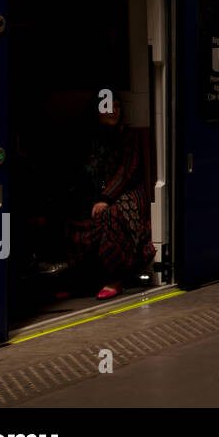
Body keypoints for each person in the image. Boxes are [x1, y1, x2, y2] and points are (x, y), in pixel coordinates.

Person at [66, 93, 155, 300]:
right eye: (108, 106)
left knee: (111, 215)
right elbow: (86, 172)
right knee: (75, 216)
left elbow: (128, 171)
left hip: (128, 192)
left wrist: (106, 198)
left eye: (117, 106)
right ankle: (82, 281)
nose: (114, 110)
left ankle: (116, 279)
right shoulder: (92, 139)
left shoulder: (128, 136)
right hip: (101, 192)